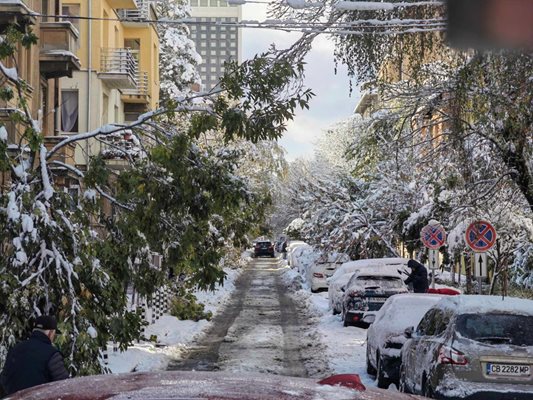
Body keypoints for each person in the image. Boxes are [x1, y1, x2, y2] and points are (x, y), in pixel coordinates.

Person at [0, 315, 69, 395]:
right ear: (50, 333)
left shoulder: (15, 349)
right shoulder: (51, 354)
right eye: (54, 334)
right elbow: (65, 385)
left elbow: (3, 380)